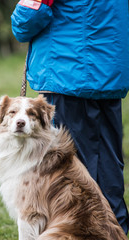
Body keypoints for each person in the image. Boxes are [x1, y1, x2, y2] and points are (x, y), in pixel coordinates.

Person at [11, 0, 129, 234]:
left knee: (66, 175)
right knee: (108, 168)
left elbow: (26, 20)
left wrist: (19, 21)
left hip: (67, 72)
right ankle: (116, 233)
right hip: (110, 72)